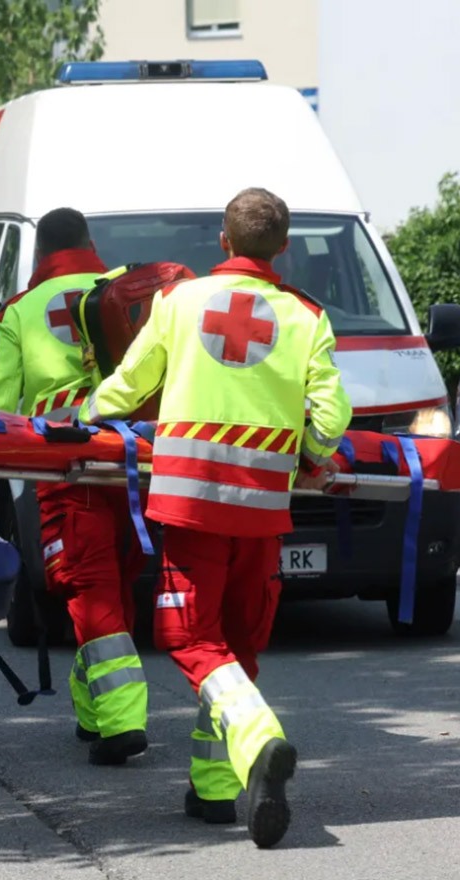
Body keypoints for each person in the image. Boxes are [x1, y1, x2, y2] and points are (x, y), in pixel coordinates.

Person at [78, 187, 353, 848]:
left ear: (222, 241)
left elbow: (132, 384)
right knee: (236, 643)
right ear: (283, 247)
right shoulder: (307, 317)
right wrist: (314, 456)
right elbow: (330, 416)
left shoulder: (179, 301)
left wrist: (85, 417)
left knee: (191, 638)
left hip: (193, 502)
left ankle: (258, 738)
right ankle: (216, 789)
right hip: (262, 509)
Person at [0, 207, 149, 767]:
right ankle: (94, 710)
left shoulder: (21, 311)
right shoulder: (126, 287)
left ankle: (121, 722)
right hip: (134, 464)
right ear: (89, 242)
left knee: (90, 586)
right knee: (114, 585)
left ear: (39, 254)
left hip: (67, 469)